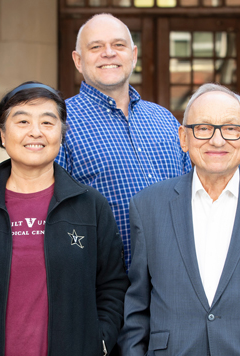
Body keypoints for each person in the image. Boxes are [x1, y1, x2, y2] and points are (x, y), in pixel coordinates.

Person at [0, 82, 129, 356]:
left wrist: (98, 342)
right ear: (2, 134)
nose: (35, 132)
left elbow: (112, 287)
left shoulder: (91, 207)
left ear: (62, 133)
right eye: (22, 121)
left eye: (47, 122)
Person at [120, 83, 240, 355]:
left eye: (231, 129)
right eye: (203, 128)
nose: (217, 140)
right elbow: (137, 313)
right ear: (183, 138)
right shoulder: (148, 206)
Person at [57, 13, 191, 268]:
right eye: (96, 47)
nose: (109, 53)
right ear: (78, 60)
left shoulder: (165, 120)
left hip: (174, 284)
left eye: (118, 45)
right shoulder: (58, 123)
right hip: (106, 290)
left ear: (134, 54)